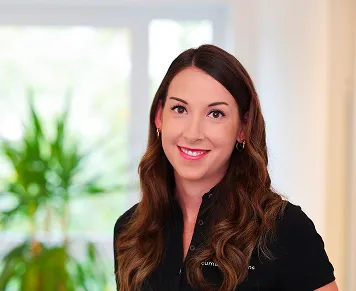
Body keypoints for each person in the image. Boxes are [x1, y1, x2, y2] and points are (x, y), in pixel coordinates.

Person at [113, 44, 338, 291]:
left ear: (243, 128)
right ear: (159, 117)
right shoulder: (130, 231)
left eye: (216, 114)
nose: (193, 133)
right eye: (180, 109)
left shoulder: (286, 229)